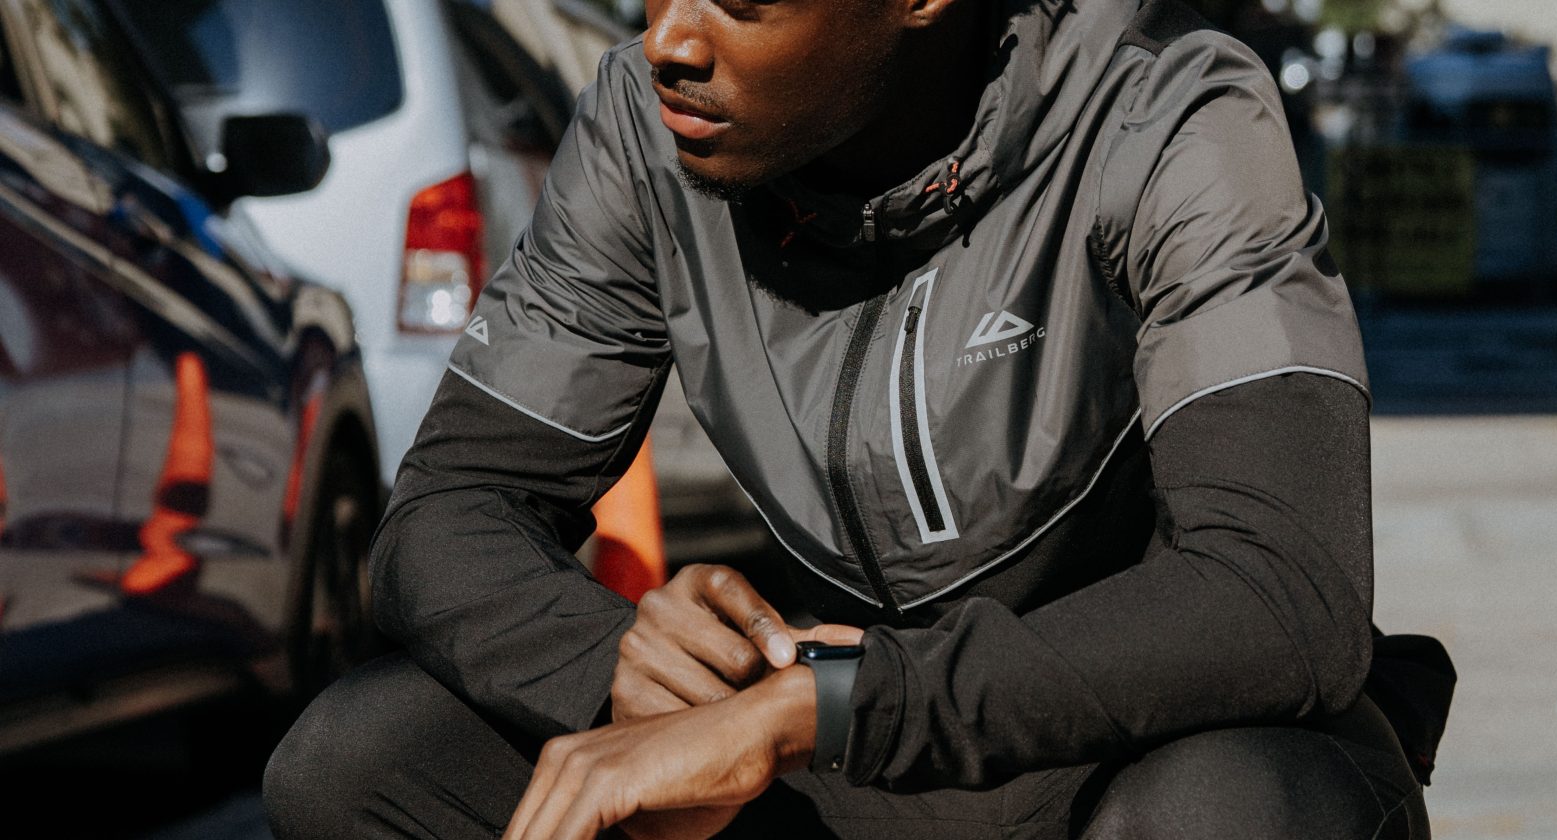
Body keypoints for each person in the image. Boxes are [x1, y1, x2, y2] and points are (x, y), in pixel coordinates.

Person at [263, 0, 1452, 837]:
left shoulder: (1167, 116)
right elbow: (444, 514)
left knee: (1226, 812)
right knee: (362, 757)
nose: (671, 40)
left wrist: (829, 706)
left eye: (740, 0)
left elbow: (1278, 595)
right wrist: (624, 675)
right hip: (843, 759)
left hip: (1131, 750)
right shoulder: (646, 132)